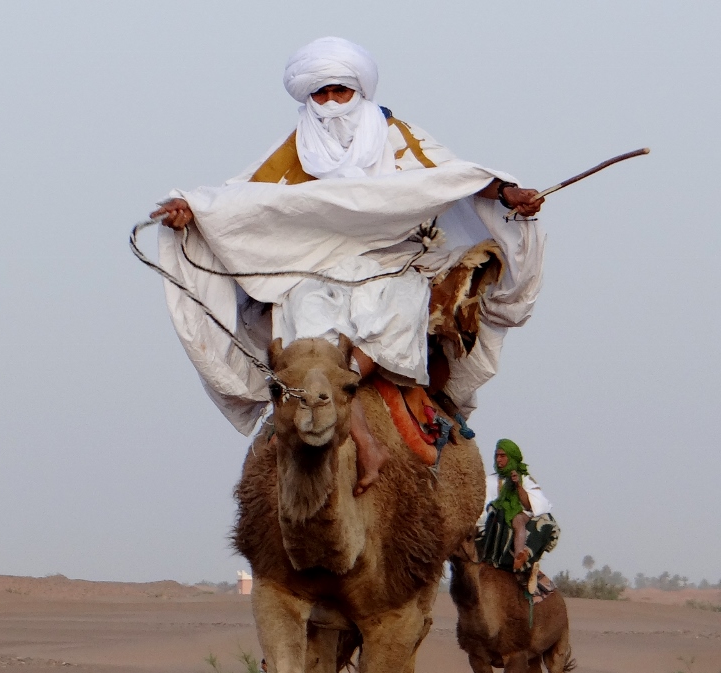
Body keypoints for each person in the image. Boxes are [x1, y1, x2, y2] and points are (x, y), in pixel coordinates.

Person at [151, 37, 546, 494]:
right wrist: (193, 211)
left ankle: (347, 387)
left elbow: (453, 175)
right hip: (316, 266)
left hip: (394, 259)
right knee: (304, 314)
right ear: (308, 97)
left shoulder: (397, 137)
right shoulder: (296, 149)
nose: (332, 103)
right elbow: (242, 198)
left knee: (398, 306)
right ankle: (354, 426)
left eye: (340, 91)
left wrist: (504, 192)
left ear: (359, 91)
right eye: (321, 93)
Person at [480, 439, 553, 571]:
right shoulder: (489, 480)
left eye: (502, 456)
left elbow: (530, 506)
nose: (498, 460)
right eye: (496, 456)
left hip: (519, 515)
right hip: (492, 519)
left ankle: (519, 559)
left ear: (511, 457)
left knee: (518, 521)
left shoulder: (524, 479)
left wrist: (517, 485)